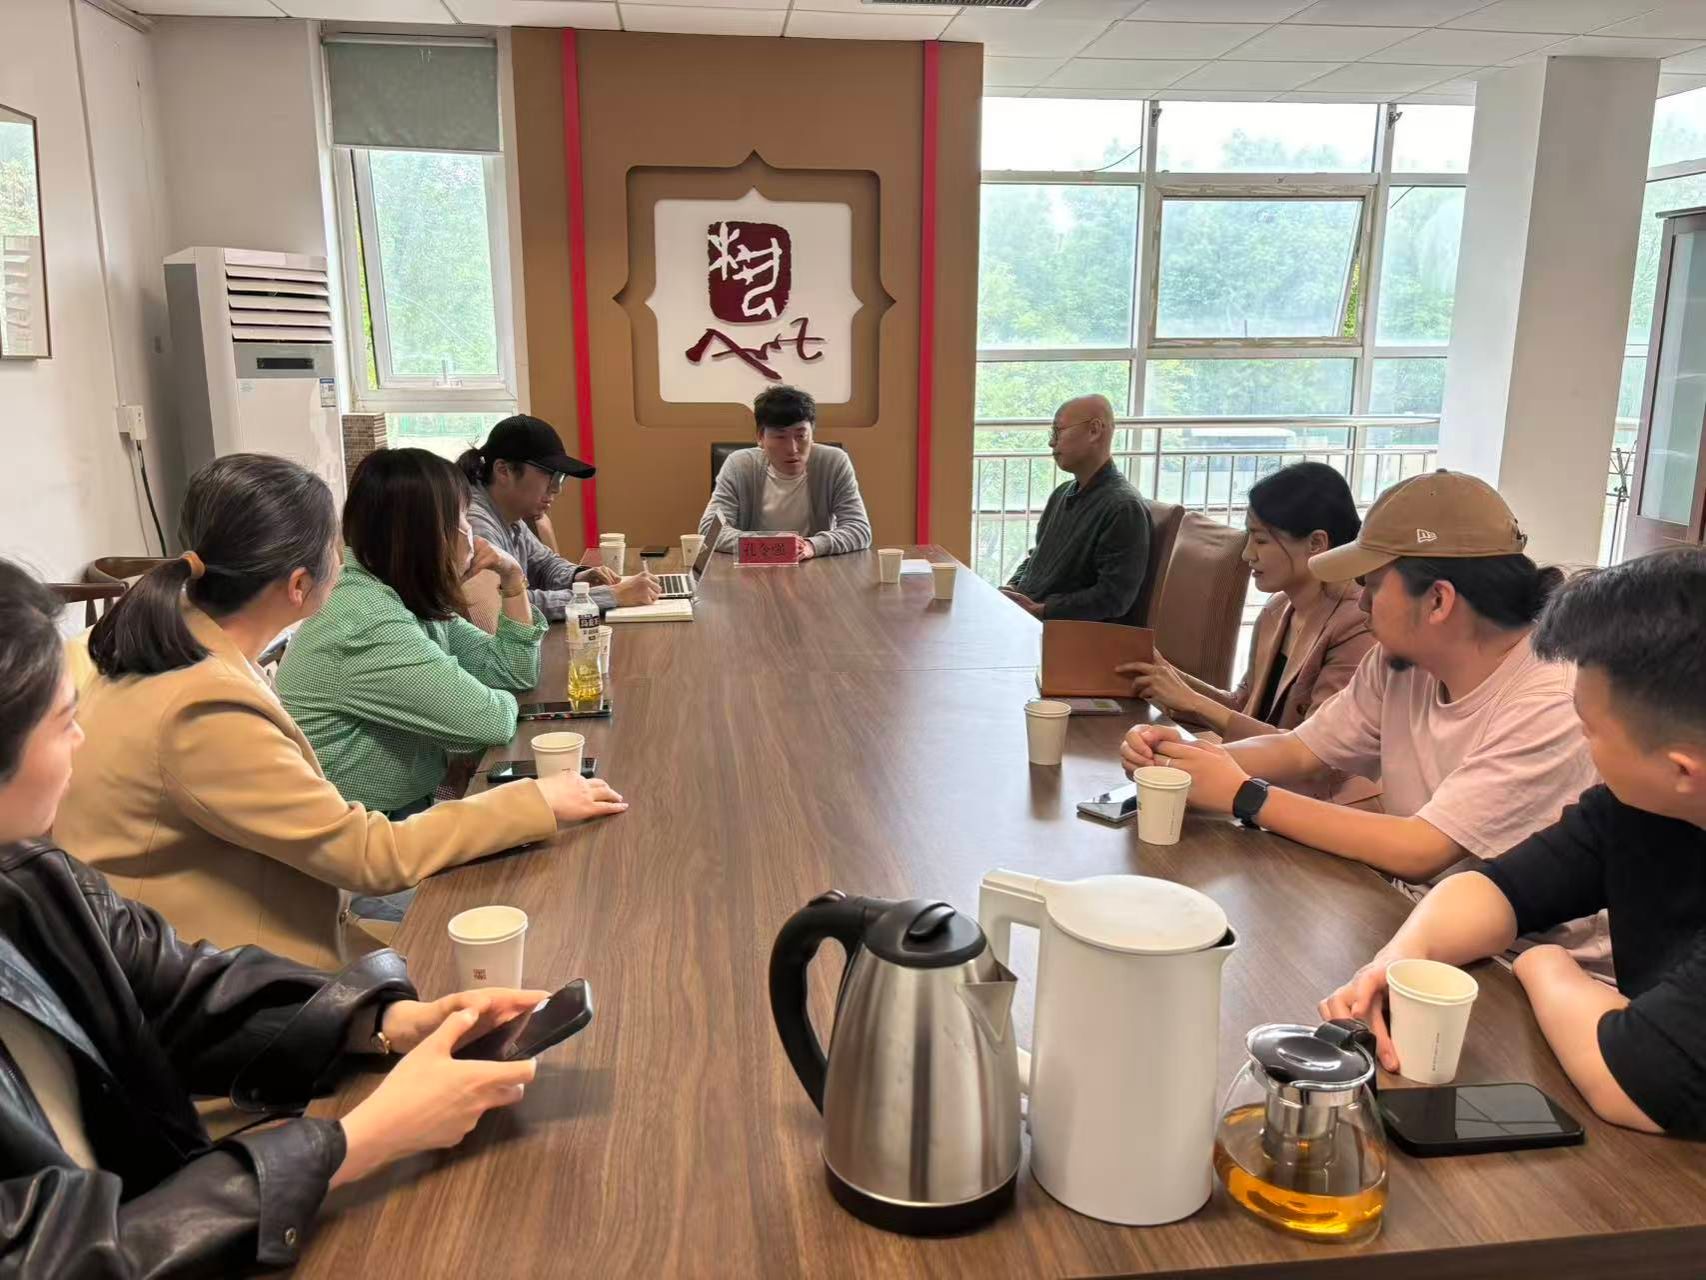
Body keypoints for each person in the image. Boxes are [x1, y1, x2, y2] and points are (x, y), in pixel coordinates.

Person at [0, 557, 547, 1274]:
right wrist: (352, 1144)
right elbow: (58, 1259)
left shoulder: (29, 875)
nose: (82, 738)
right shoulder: (206, 702)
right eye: (65, 720)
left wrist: (384, 1019)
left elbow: (181, 985)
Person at [58, 453, 627, 971]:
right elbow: (367, 855)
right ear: (300, 585)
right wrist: (534, 801)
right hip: (224, 965)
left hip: (240, 915)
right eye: (334, 548)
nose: (344, 560)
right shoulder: (211, 702)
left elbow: (506, 680)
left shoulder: (136, 643)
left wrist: (511, 580)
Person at [1119, 471, 1603, 959]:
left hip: (1524, 964)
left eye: (1372, 584)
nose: (1363, 602)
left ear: (1438, 600)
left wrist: (1243, 794)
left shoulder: (1550, 699)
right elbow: (1302, 748)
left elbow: (1421, 848)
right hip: (1418, 920)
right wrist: (1187, 758)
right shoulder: (1401, 661)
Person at [1322, 549, 1706, 1138]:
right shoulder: (1639, 806)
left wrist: (1545, 964)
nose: (1580, 741)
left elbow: (1633, 1081)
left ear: (1681, 769)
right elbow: (1498, 888)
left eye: (1590, 729)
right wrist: (1399, 959)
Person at [278, 448, 546, 820]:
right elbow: (492, 721)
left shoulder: (400, 595)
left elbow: (513, 672)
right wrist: (483, 697)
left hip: (393, 817)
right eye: (462, 517)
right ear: (426, 532)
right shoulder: (367, 620)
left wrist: (512, 577)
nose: (470, 532)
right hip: (358, 834)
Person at [1117, 462, 1378, 804]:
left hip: (1319, 804)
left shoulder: (1358, 623)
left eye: (1260, 540)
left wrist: (1193, 701)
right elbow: (1242, 706)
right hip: (1256, 785)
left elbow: (1316, 755)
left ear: (1316, 542)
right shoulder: (1278, 608)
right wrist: (1170, 677)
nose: (1246, 554)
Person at [458, 414, 661, 618]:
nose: (556, 489)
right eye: (550, 475)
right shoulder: (474, 524)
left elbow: (545, 565)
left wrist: (578, 576)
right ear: (503, 470)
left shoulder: (511, 514)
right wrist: (611, 595)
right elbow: (503, 606)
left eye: (560, 478)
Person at [1000, 394, 1151, 623]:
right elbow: (1037, 557)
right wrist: (1013, 588)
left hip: (1064, 632)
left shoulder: (1123, 508)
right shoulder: (1061, 493)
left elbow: (1114, 597)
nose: (1051, 443)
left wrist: (1042, 610)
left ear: (1094, 430)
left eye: (1057, 431)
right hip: (1031, 619)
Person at [699, 384, 871, 558]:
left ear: (812, 434)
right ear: (760, 437)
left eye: (801, 436)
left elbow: (859, 529)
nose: (792, 448)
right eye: (780, 437)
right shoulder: (739, 465)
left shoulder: (833, 462)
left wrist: (812, 545)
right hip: (754, 567)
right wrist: (772, 545)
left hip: (815, 565)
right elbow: (710, 531)